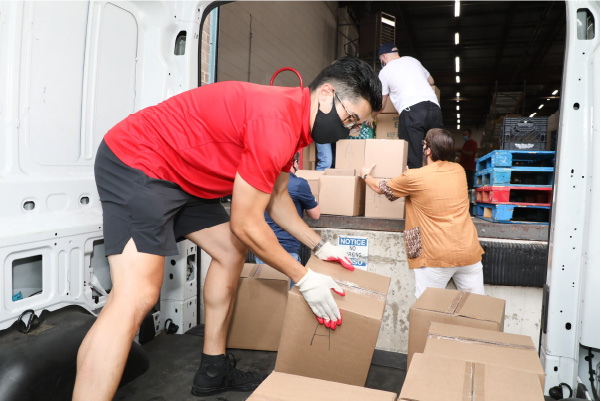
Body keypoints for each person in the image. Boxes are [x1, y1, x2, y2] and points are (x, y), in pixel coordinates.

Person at [74, 56, 382, 400]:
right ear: (326, 94)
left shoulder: (295, 124)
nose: (348, 130)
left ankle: (213, 370)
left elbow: (278, 198)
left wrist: (320, 246)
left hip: (184, 176)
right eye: (350, 119)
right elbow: (246, 222)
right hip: (139, 160)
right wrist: (304, 278)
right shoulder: (276, 122)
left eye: (356, 125)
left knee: (232, 250)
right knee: (136, 295)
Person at [360, 128, 484, 299]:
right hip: (469, 253)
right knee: (477, 307)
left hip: (435, 256)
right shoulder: (459, 170)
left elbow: (379, 188)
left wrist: (365, 175)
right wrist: (408, 177)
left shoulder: (414, 177)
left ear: (428, 150)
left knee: (426, 310)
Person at [366, 43, 443, 169]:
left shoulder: (385, 72)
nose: (382, 63)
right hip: (435, 109)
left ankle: (415, 181)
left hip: (412, 112)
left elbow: (381, 104)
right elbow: (431, 81)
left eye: (380, 60)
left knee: (413, 159)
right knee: (436, 154)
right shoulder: (413, 60)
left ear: (384, 56)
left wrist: (371, 116)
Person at [255, 152, 320, 268]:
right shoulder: (299, 184)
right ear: (295, 163)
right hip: (287, 248)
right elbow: (315, 214)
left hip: (262, 247)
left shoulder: (263, 181)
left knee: (264, 280)